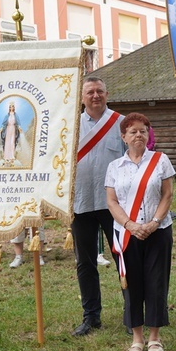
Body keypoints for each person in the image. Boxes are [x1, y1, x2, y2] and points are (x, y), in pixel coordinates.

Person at [106, 113, 175, 351]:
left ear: (148, 135)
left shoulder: (160, 160)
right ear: (123, 137)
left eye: (143, 131)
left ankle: (155, 337)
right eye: (133, 131)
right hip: (127, 234)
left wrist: (154, 222)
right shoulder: (114, 167)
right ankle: (137, 338)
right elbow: (111, 201)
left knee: (156, 283)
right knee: (131, 284)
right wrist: (130, 224)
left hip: (158, 231)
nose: (138, 135)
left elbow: (167, 195)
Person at [71, 76, 127, 337]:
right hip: (81, 202)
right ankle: (91, 316)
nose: (95, 96)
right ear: (81, 96)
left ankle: (132, 314)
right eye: (90, 92)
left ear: (107, 93)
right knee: (85, 262)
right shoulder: (69, 123)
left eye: (100, 91)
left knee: (123, 258)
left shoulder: (121, 123)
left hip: (114, 204)